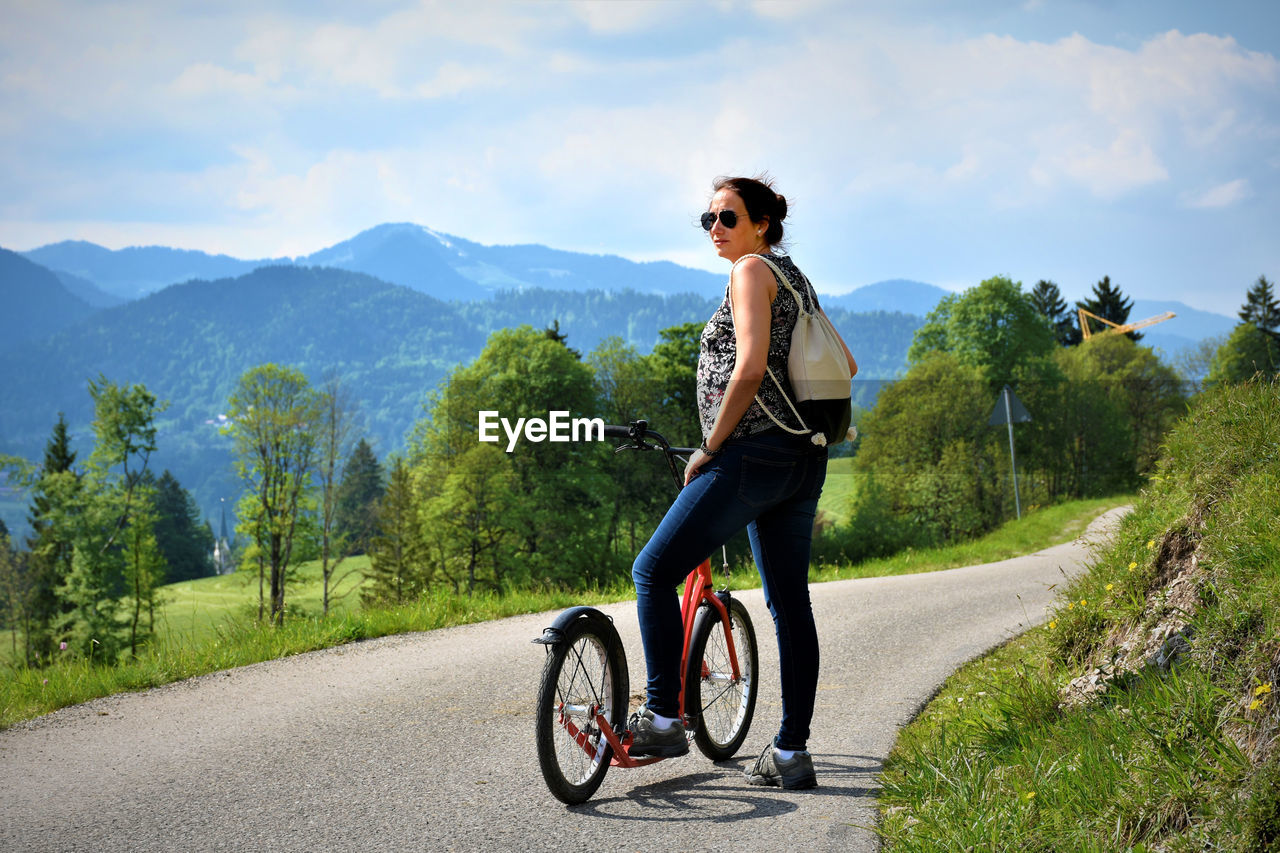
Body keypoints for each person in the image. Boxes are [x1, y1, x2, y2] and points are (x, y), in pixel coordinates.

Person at [627, 175, 858, 789]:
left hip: (752, 457)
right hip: (804, 458)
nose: (715, 230)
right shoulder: (792, 277)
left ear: (760, 223)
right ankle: (790, 753)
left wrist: (710, 446)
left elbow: (750, 366)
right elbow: (848, 363)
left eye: (727, 217)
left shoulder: (750, 272)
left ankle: (664, 717)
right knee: (789, 605)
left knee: (652, 571)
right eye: (706, 219)